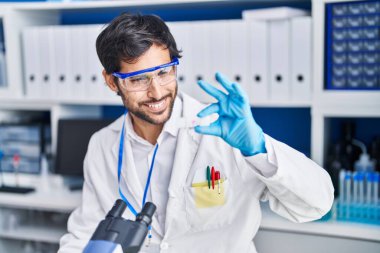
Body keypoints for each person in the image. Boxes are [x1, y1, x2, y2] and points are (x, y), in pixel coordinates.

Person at [58, 13, 334, 253]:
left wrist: (258, 148)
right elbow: (87, 232)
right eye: (138, 79)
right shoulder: (103, 144)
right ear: (111, 81)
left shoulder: (224, 131)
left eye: (164, 73)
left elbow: (317, 204)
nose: (156, 92)